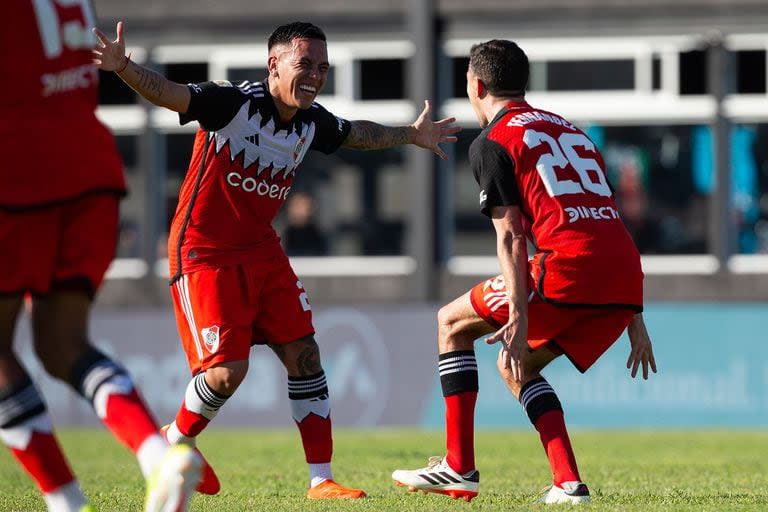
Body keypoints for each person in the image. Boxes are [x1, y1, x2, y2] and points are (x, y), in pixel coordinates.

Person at [92, 20, 460, 499]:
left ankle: (321, 480)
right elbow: (170, 93)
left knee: (305, 356)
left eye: (323, 68)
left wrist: (410, 135)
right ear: (274, 65)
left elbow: (356, 134)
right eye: (305, 64)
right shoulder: (233, 103)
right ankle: (175, 441)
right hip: (204, 251)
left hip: (262, 250)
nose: (315, 75)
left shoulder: (311, 122)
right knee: (226, 373)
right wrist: (124, 68)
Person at [392, 39, 657, 504]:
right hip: (622, 277)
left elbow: (512, 235)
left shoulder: (493, 141)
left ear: (476, 85)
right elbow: (604, 216)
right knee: (519, 364)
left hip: (569, 267)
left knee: (450, 324)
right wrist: (635, 315)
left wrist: (518, 313)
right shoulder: (572, 132)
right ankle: (568, 483)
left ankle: (458, 467)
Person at [0, 2, 201, 512]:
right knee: (62, 345)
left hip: (17, 171)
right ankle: (158, 458)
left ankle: (67, 503)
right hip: (91, 169)